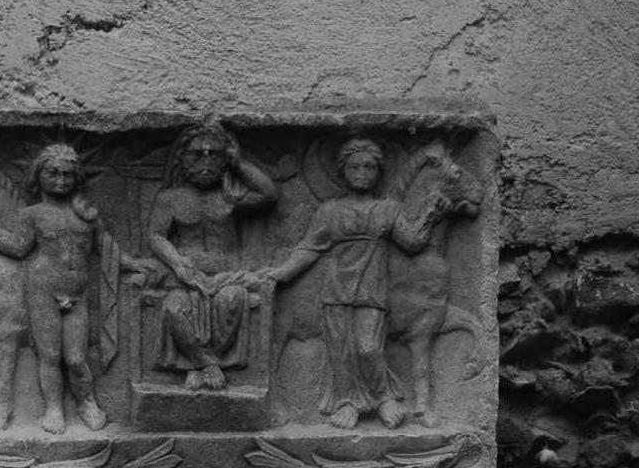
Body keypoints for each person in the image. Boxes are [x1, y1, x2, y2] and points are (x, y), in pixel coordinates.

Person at [0, 143, 143, 434]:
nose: (61, 180)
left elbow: (107, 249)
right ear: (39, 175)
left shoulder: (87, 215)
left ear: (77, 178)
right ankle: (54, 409)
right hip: (42, 292)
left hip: (78, 295)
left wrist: (136, 265)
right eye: (53, 173)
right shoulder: (32, 215)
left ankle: (86, 402)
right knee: (49, 356)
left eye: (67, 174)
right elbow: (19, 247)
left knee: (76, 358)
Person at [267, 136, 447, 429]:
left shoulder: (388, 208)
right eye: (354, 167)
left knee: (368, 347)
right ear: (342, 172)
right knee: (339, 350)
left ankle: (384, 398)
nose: (361, 173)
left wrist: (431, 215)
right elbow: (310, 247)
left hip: (372, 287)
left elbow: (411, 241)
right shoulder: (330, 210)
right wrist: (282, 273)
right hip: (336, 288)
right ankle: (345, 403)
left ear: (379, 172)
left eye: (369, 167)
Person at [147, 122, 278, 391]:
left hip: (226, 276)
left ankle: (199, 365)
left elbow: (269, 194)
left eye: (214, 154)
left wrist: (239, 164)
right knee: (174, 308)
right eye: (197, 154)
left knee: (231, 300)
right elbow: (156, 236)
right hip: (185, 277)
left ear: (224, 159)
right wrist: (177, 263)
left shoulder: (230, 196)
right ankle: (205, 364)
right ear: (182, 159)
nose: (205, 162)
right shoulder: (170, 198)